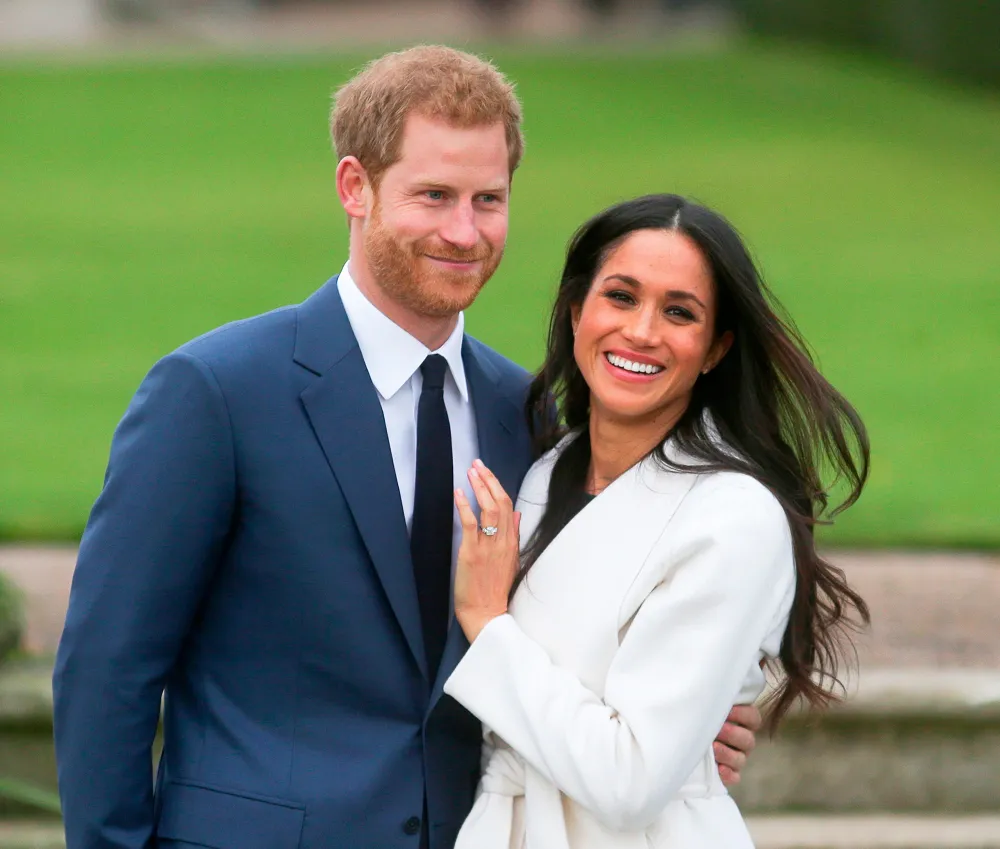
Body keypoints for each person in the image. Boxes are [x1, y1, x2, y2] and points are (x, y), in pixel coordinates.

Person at [52, 50, 759, 849]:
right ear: (355, 187)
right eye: (434, 196)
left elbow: (564, 628)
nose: (465, 232)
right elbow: (107, 670)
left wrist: (690, 721)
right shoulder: (215, 393)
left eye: (488, 200)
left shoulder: (527, 414)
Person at [443, 194, 871, 847]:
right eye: (620, 296)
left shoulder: (731, 516)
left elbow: (630, 781)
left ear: (714, 348)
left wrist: (487, 623)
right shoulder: (541, 472)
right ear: (576, 309)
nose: (642, 331)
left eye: (679, 312)